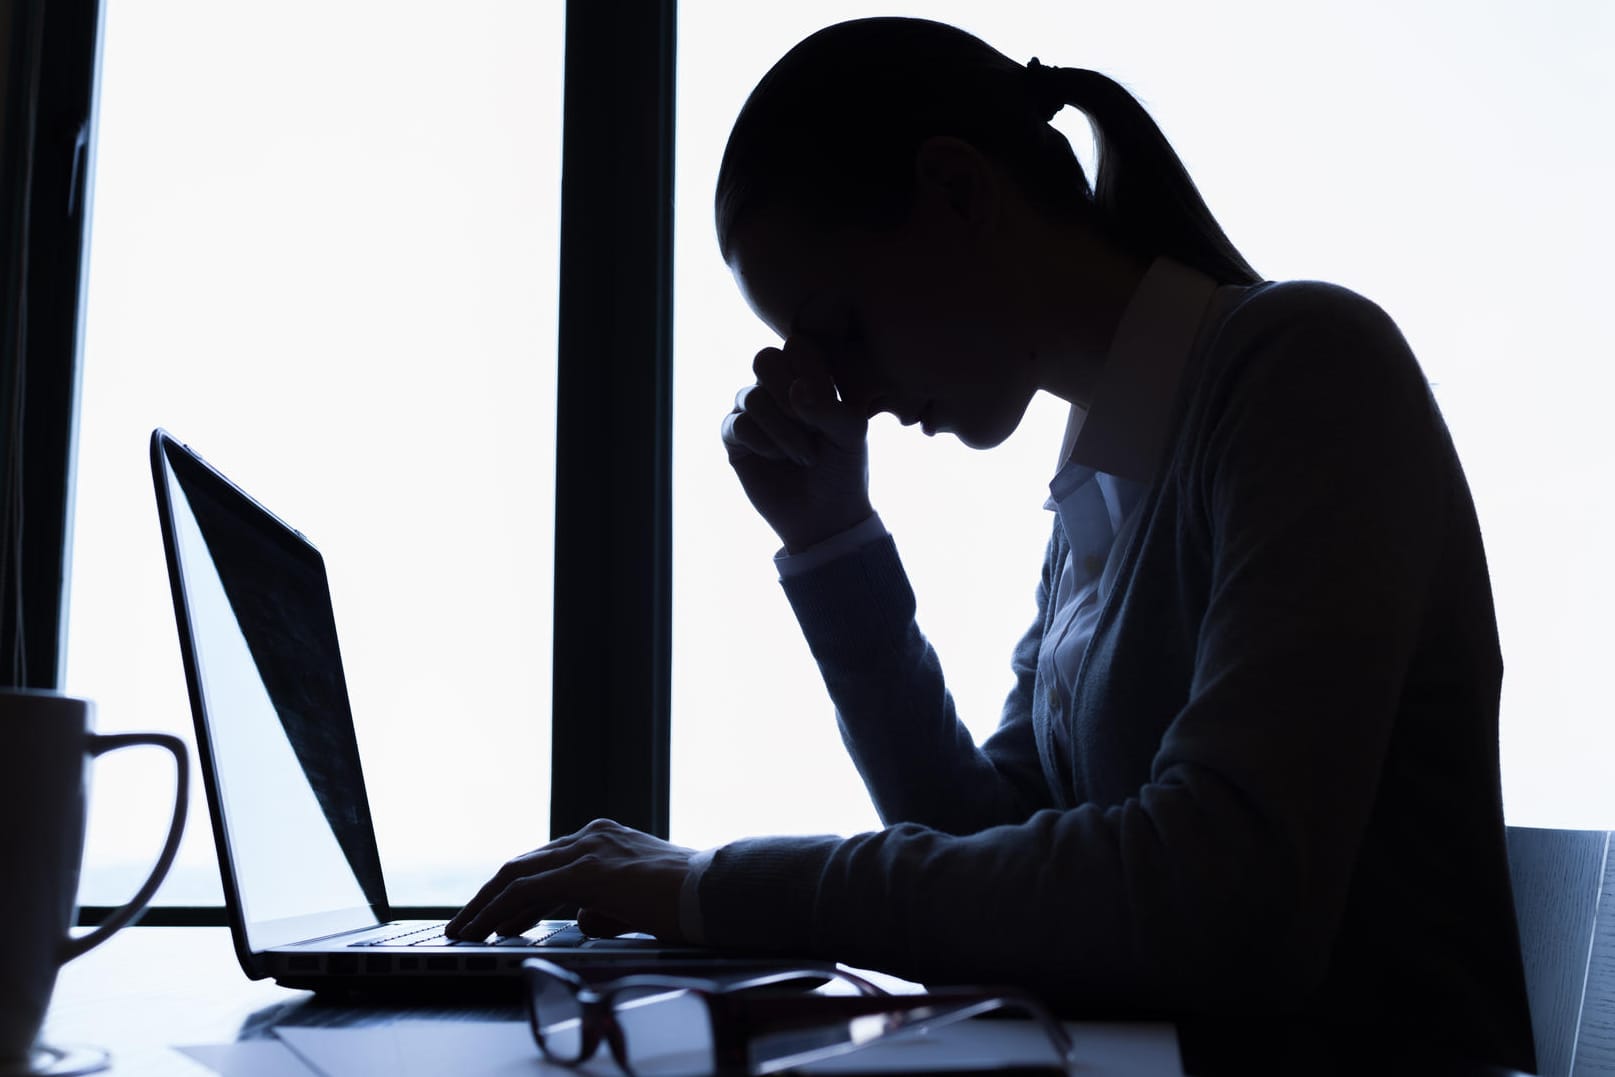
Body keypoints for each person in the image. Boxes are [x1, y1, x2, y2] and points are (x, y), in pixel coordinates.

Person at [448, 17, 1534, 1074]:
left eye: (841, 332)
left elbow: (1223, 898)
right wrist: (833, 546)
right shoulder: (1102, 488)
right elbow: (990, 846)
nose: (850, 395)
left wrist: (707, 888)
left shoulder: (1306, 373)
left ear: (961, 193)